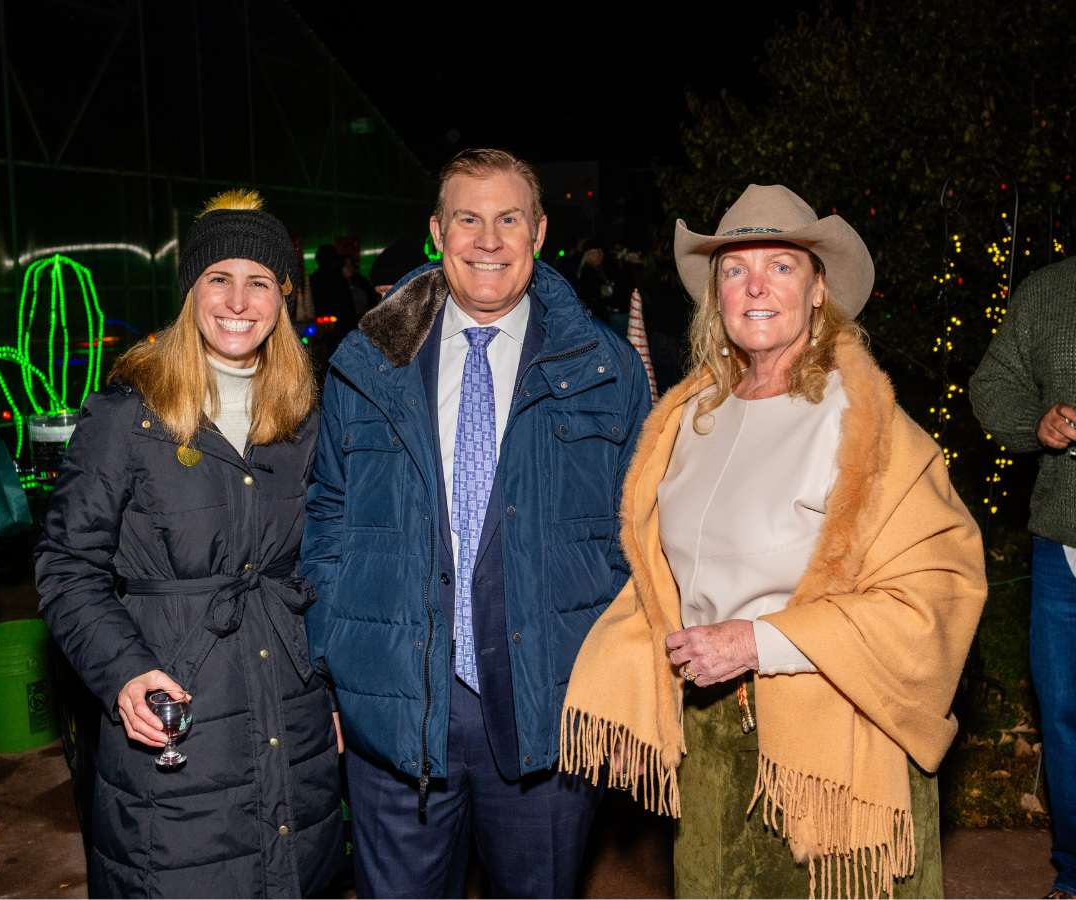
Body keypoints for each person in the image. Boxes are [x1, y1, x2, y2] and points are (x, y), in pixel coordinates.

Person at [561, 184, 987, 898]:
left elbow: (938, 590)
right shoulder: (691, 415)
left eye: (781, 266)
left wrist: (762, 642)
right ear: (715, 294)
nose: (755, 286)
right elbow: (661, 576)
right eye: (735, 269)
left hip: (832, 749)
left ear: (819, 289)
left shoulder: (864, 425)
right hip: (711, 747)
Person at [301, 149, 653, 899]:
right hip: (396, 711)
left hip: (548, 712)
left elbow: (642, 541)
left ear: (539, 230)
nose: (487, 239)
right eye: (467, 218)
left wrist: (622, 688)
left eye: (507, 218)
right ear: (437, 231)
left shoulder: (604, 369)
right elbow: (327, 514)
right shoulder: (367, 362)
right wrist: (337, 665)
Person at [35, 189, 344, 897]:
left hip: (289, 703)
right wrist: (123, 672)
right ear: (190, 292)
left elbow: (327, 562)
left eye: (259, 281)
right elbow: (66, 565)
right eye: (219, 278)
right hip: (177, 703)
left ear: (282, 297)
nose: (239, 300)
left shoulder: (305, 418)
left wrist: (334, 692)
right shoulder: (127, 417)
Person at [970, 256, 1076, 900]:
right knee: (1064, 714)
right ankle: (1073, 871)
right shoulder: (1051, 291)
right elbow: (994, 384)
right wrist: (1035, 422)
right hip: (1063, 541)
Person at [309, 244, 357, 356]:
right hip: (342, 326)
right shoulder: (339, 279)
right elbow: (348, 307)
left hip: (319, 325)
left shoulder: (313, 278)